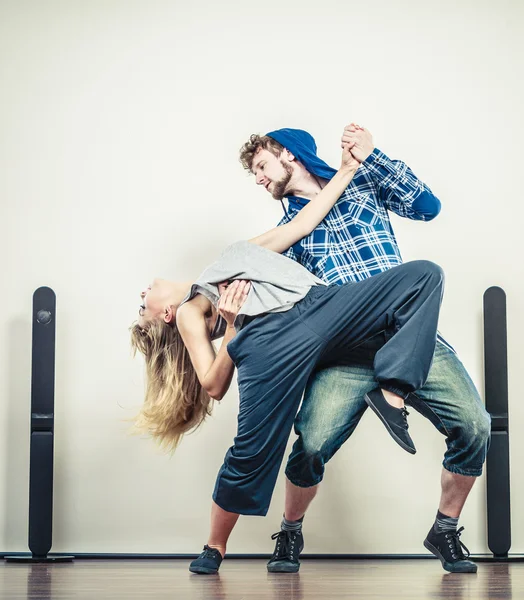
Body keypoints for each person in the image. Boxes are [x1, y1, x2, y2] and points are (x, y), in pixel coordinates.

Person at [131, 135, 445, 575]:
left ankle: (393, 394)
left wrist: (349, 171)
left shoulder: (227, 259)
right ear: (164, 313)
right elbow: (213, 385)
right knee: (253, 448)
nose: (143, 291)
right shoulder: (186, 312)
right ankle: (214, 547)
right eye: (142, 302)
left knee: (423, 276)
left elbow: (299, 225)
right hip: (265, 342)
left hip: (317, 306)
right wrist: (234, 326)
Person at [238, 125, 491, 574]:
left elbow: (428, 207)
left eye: (261, 166)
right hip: (347, 351)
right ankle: (290, 531)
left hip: (408, 334)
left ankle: (446, 530)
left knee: (475, 427)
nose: (258, 179)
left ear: (288, 155)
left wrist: (373, 156)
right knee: (311, 444)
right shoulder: (289, 232)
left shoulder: (361, 183)